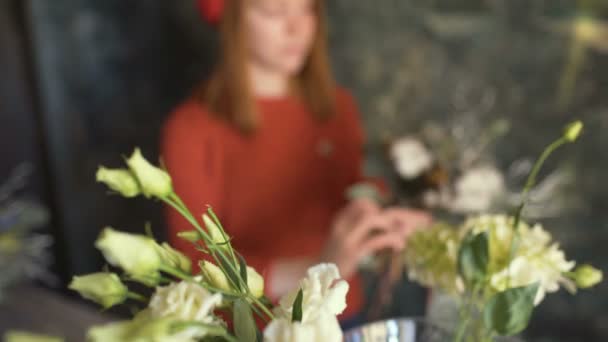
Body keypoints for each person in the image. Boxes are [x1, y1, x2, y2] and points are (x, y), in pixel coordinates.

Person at [162, 0, 431, 322]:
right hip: (255, 326)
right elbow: (196, 264)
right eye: (274, 11)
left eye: (305, 9)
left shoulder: (337, 108)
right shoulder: (192, 129)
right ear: (233, 19)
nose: (297, 29)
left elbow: (352, 189)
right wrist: (316, 268)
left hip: (341, 317)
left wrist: (380, 218)